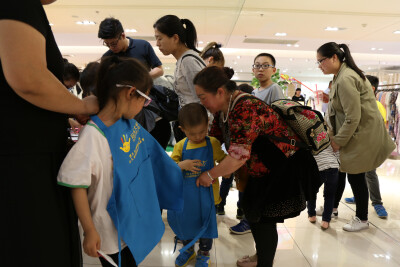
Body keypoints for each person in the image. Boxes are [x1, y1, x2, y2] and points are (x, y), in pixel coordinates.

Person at [57, 56, 183, 267]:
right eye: (145, 100)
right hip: (108, 230)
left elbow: (150, 156)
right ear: (130, 93)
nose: (144, 106)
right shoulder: (93, 137)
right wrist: (89, 230)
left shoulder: (127, 124)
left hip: (130, 222)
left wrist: (177, 170)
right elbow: (75, 182)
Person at [0, 1, 99, 266]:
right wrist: (82, 105)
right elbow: (28, 78)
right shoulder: (17, 4)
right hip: (23, 164)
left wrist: (68, 116)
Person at [193, 66, 319, 267]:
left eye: (202, 97)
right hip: (261, 168)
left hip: (281, 167)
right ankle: (260, 257)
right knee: (253, 214)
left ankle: (264, 262)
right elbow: (216, 139)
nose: (201, 102)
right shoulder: (223, 109)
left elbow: (237, 156)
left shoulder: (244, 107)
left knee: (263, 220)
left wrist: (210, 175)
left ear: (220, 92)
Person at [316, 42, 395, 232]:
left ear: (334, 58)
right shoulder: (341, 75)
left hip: (358, 136)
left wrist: (337, 140)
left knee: (356, 176)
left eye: (321, 61)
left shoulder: (345, 78)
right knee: (343, 172)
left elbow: (353, 117)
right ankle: (333, 208)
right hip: (354, 135)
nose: (319, 65)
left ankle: (362, 218)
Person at [169, 103, 227, 267]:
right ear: (182, 129)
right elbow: (170, 168)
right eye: (192, 133)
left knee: (206, 228)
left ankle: (203, 253)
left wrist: (219, 172)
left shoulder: (213, 143)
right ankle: (188, 250)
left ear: (208, 124)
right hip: (187, 198)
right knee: (186, 225)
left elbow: (224, 163)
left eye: (202, 131)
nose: (198, 136)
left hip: (208, 198)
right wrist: (182, 165)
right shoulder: (181, 146)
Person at [154, 14, 206, 142]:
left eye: (160, 38)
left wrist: (201, 132)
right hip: (190, 125)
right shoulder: (183, 60)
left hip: (195, 128)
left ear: (175, 38)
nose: (157, 44)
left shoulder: (188, 61)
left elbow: (203, 99)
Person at [344, 75, 389, 218]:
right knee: (359, 173)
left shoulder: (376, 105)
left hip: (370, 146)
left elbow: (381, 127)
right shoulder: (362, 102)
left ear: (372, 88)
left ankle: (377, 202)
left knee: (370, 173)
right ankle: (358, 197)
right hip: (359, 145)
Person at [98, 17, 163, 79]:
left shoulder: (143, 45)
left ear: (123, 36)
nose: (111, 48)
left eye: (114, 44)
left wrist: (143, 78)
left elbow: (159, 69)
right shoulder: (106, 57)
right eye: (107, 44)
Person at [307, 145, 340, 230]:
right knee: (330, 195)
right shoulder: (328, 137)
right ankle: (325, 221)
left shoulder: (310, 136)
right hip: (333, 166)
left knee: (312, 192)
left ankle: (312, 215)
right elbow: (337, 151)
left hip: (317, 167)